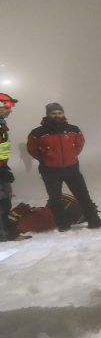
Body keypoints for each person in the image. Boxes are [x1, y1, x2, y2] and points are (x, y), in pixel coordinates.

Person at [27, 103, 101, 231]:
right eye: (53, 113)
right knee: (55, 198)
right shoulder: (37, 132)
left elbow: (79, 144)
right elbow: (32, 149)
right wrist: (46, 158)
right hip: (50, 171)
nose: (57, 116)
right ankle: (63, 224)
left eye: (59, 113)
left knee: (83, 196)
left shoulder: (73, 129)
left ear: (63, 114)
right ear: (48, 115)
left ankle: (94, 221)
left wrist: (71, 156)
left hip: (72, 169)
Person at [0, 93, 28, 242]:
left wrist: (4, 166)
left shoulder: (1, 124)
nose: (10, 110)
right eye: (6, 107)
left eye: (11, 107)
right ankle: (4, 236)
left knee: (5, 201)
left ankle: (7, 234)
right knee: (2, 203)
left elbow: (1, 150)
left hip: (1, 168)